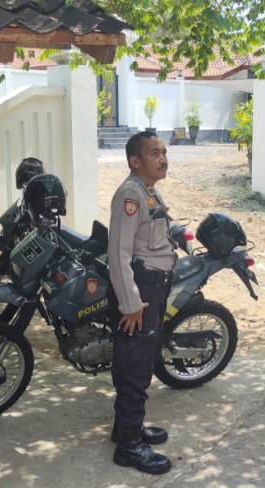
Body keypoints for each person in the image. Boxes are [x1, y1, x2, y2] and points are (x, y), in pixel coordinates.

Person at [107, 131, 177, 474]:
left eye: (163, 152)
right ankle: (129, 447)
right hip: (140, 292)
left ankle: (126, 428)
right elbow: (118, 255)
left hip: (152, 287)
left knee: (142, 359)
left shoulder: (148, 190)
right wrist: (131, 304)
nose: (163, 159)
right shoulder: (130, 195)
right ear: (135, 161)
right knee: (134, 366)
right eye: (154, 153)